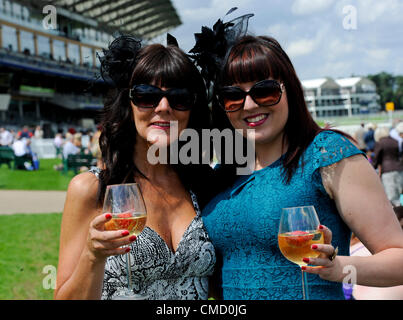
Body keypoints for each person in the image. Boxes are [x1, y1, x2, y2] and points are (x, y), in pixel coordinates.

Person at [191, 15, 403, 299]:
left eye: (264, 91)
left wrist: (337, 266)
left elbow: (398, 257)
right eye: (233, 96)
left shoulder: (326, 153)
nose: (250, 105)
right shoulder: (225, 172)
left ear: (289, 90)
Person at [54, 35, 216, 300]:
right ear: (128, 104)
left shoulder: (202, 185)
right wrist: (92, 255)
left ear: (192, 108)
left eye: (180, 97)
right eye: (147, 96)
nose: (163, 107)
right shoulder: (91, 189)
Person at [372, 126, 403, 206]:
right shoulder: (396, 141)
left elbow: (376, 157)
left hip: (387, 171)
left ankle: (397, 216)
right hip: (399, 169)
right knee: (400, 194)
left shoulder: (380, 143)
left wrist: (373, 167)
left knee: (392, 197)